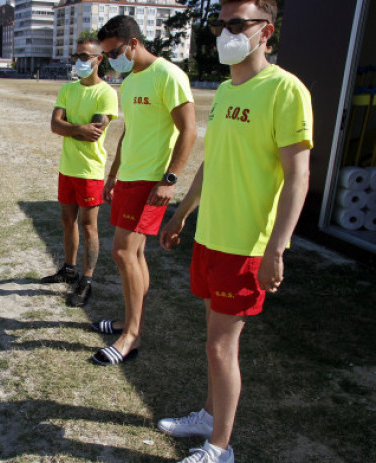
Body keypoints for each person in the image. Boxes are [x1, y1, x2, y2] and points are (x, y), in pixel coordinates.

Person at [156, 1, 313, 461]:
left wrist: (277, 249)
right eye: (220, 24)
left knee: (221, 345)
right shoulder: (225, 90)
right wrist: (183, 212)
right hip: (211, 237)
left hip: (246, 245)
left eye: (237, 24)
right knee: (212, 338)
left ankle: (220, 448)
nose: (226, 32)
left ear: (266, 31)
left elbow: (297, 176)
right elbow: (214, 161)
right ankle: (209, 416)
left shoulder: (285, 90)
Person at [89, 16, 196, 365]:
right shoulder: (130, 81)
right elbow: (129, 133)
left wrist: (170, 180)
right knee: (134, 255)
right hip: (129, 179)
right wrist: (112, 176)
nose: (112, 61)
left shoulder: (169, 75)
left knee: (122, 253)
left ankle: (131, 336)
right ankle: (129, 321)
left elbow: (189, 131)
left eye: (115, 52)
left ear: (133, 43)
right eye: (106, 55)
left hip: (152, 181)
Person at [42, 37, 119, 307]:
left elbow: (93, 134)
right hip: (67, 168)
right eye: (77, 56)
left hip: (90, 171)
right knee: (67, 221)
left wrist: (69, 127)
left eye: (85, 57)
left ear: (100, 59)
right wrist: (78, 128)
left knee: (89, 227)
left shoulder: (106, 93)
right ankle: (69, 269)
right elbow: (54, 125)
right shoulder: (67, 89)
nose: (79, 61)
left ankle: (86, 280)